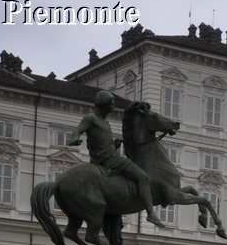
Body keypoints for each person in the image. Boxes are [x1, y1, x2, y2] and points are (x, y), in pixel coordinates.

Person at [68, 89, 165, 226]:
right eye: (111, 104)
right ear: (103, 104)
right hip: (108, 159)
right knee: (143, 177)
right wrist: (75, 139)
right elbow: (78, 130)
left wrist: (115, 145)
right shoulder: (91, 118)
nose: (113, 107)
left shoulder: (104, 121)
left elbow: (102, 141)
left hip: (110, 155)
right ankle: (151, 214)